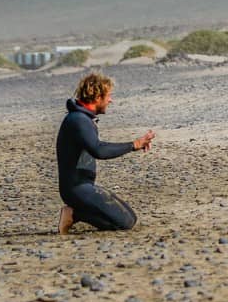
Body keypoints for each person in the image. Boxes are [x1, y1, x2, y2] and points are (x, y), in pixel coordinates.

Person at [56, 73, 156, 234]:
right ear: (97, 97)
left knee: (130, 218)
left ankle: (77, 212)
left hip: (85, 187)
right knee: (124, 224)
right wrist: (134, 145)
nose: (111, 100)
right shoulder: (78, 120)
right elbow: (99, 150)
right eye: (108, 96)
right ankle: (74, 214)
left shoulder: (82, 118)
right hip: (76, 189)